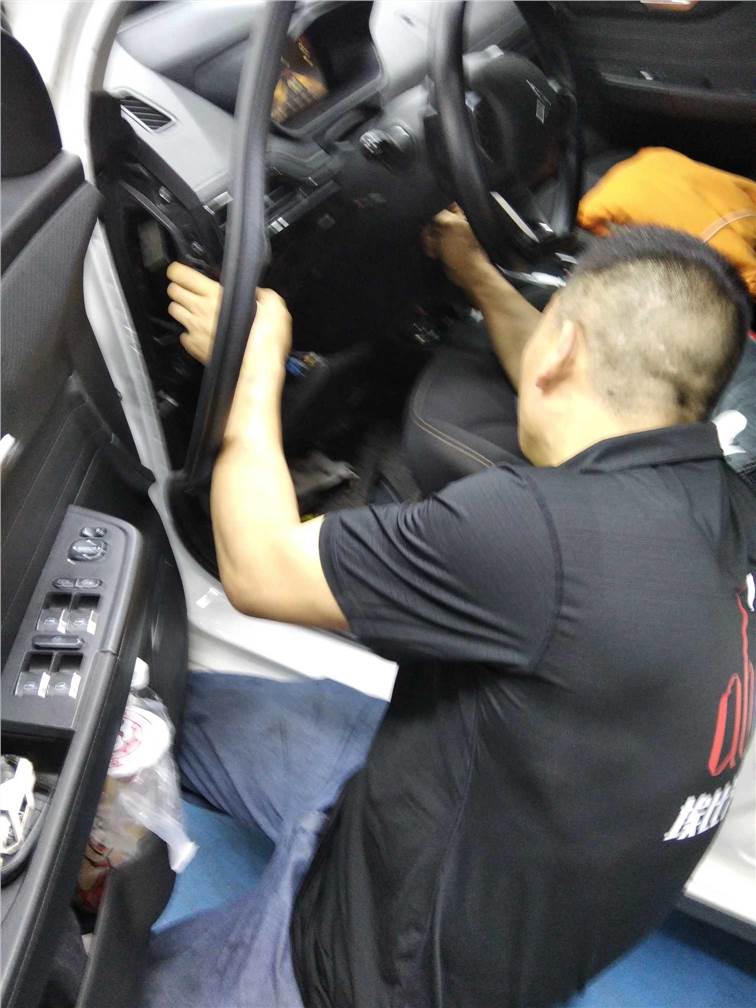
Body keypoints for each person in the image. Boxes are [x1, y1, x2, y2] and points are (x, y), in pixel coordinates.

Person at [145, 222, 755, 1008]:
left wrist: (249, 377)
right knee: (158, 704)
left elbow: (259, 567)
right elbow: (560, 373)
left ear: (564, 350)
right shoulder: (720, 497)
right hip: (496, 867)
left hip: (368, 972)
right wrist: (477, 276)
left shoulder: (537, 534)